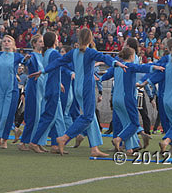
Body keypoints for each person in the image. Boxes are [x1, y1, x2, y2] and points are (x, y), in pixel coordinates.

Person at [29, 28, 127, 157]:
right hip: (87, 87)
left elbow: (58, 62)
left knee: (90, 117)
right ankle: (64, 138)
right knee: (88, 117)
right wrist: (116, 63)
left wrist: (43, 71)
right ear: (90, 39)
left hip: (77, 88)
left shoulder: (74, 52)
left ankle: (94, 148)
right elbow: (104, 57)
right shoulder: (90, 52)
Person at [102, 47, 163, 155]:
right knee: (134, 123)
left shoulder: (116, 66)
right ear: (132, 56)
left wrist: (97, 78)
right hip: (127, 98)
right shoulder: (129, 66)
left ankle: (130, 148)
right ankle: (119, 139)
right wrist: (155, 67)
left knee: (126, 123)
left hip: (116, 99)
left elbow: (106, 75)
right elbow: (141, 67)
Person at [0, 35, 28, 149]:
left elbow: (25, 61)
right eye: (4, 41)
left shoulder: (16, 56)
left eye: (9, 41)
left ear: (13, 44)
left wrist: (27, 59)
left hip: (11, 89)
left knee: (6, 115)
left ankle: (4, 139)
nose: (6, 43)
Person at [29, 32, 67, 154]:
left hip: (52, 86)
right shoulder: (54, 53)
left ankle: (56, 145)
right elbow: (58, 65)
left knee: (58, 118)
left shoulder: (48, 53)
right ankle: (34, 142)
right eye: (57, 38)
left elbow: (54, 70)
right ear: (54, 41)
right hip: (52, 88)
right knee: (49, 116)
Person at [19, 35, 45, 151]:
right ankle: (24, 141)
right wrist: (25, 59)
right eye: (40, 42)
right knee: (33, 115)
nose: (42, 44)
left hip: (42, 87)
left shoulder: (44, 56)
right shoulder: (33, 56)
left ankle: (36, 141)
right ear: (34, 44)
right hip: (34, 87)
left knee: (40, 115)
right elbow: (26, 62)